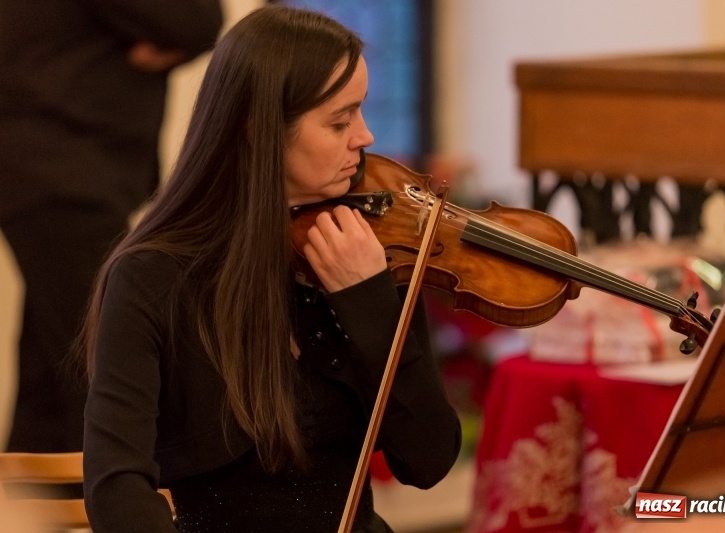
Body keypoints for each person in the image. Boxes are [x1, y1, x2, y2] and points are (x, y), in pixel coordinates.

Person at [81, 5, 462, 532]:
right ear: (259, 129)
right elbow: (116, 486)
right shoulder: (151, 277)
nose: (366, 137)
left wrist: (370, 303)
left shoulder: (370, 254)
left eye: (362, 111)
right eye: (339, 121)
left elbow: (429, 461)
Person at [0, 0, 223, 452]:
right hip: (64, 165)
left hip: (48, 160)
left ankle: (40, 508)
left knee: (56, 362)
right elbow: (195, 19)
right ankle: (110, 508)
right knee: (104, 356)